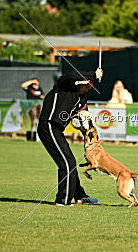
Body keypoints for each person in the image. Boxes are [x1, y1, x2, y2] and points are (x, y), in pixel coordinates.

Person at [37, 68, 103, 206]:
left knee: (69, 163)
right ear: (81, 82)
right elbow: (73, 74)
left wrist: (94, 141)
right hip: (48, 125)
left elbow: (87, 123)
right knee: (68, 163)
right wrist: (94, 74)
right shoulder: (64, 85)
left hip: (56, 129)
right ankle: (63, 201)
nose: (88, 88)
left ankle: (80, 196)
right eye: (87, 84)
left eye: (90, 86)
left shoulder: (82, 100)